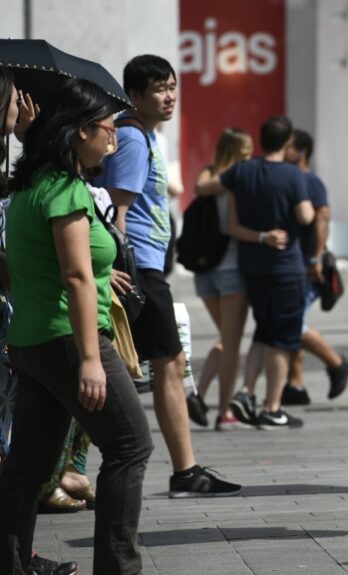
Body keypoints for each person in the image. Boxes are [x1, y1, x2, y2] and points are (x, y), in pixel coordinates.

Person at [0, 77, 155, 574]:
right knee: (131, 446)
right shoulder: (65, 191)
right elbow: (76, 276)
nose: (114, 139)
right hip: (70, 339)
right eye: (108, 129)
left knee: (27, 469)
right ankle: (118, 568)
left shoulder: (30, 186)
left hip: (32, 339)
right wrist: (91, 359)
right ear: (81, 131)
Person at [94, 54, 240, 497]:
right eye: (159, 88)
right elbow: (114, 210)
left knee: (161, 363)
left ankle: (183, 468)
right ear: (135, 95)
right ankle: (185, 471)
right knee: (167, 364)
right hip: (138, 268)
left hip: (148, 266)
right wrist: (118, 270)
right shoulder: (134, 138)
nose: (170, 95)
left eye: (172, 86)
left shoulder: (145, 136)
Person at [194, 115, 313, 430]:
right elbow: (305, 215)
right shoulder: (292, 175)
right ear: (288, 143)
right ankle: (272, 408)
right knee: (283, 340)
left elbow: (206, 190)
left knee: (263, 330)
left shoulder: (241, 172)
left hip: (251, 268)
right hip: (286, 267)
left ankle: (245, 393)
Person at [277, 129, 348, 406]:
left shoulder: (310, 182)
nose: (282, 152)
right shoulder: (294, 179)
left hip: (307, 265)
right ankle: (295, 385)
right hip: (297, 262)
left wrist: (315, 257)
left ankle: (337, 363)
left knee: (293, 323)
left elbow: (322, 219)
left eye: (286, 147)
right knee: (292, 319)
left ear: (300, 151)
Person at [187, 128, 253, 431]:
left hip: (204, 269)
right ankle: (225, 411)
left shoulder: (209, 175)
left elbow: (199, 188)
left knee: (226, 338)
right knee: (232, 342)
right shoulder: (238, 179)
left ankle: (199, 395)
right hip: (231, 269)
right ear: (240, 152)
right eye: (247, 151)